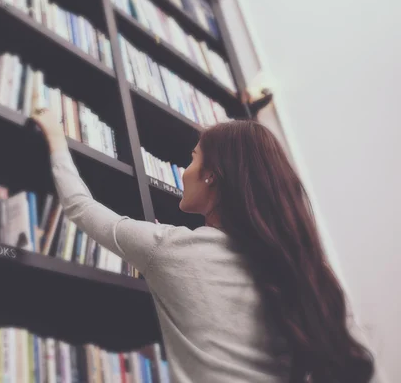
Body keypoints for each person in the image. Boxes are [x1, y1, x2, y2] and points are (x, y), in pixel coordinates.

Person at [31, 109, 376, 383]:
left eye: (193, 159)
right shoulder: (313, 276)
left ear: (212, 174)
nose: (184, 170)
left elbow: (80, 207)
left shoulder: (169, 249)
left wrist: (56, 138)